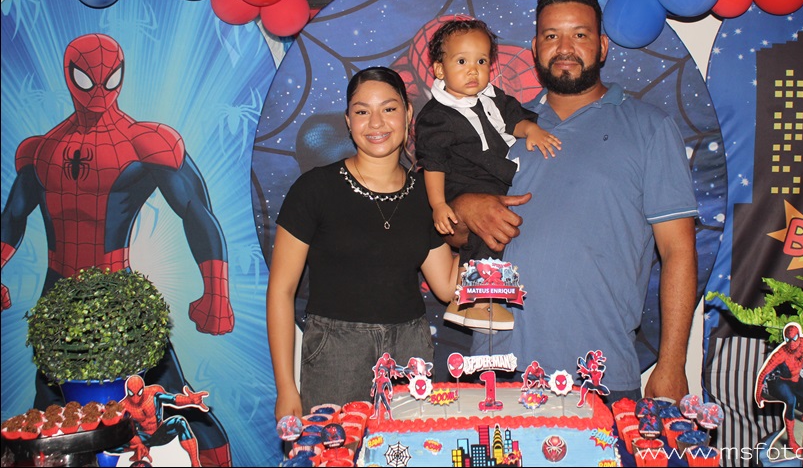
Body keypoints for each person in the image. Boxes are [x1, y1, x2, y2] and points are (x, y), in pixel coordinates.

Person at [449, 0, 699, 403]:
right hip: (498, 372)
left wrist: (672, 364)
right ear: (534, 48)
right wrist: (463, 206)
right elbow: (455, 237)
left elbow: (678, 252)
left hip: (599, 374)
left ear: (602, 46)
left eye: (579, 35)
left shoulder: (649, 128)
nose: (564, 48)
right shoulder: (497, 130)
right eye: (551, 36)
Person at [0, 33, 233, 466]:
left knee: (175, 405)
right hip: (59, 300)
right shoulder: (41, 150)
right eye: (86, 80)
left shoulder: (145, 141)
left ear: (121, 75)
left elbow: (195, 210)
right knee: (51, 415)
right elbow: (13, 216)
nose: (98, 91)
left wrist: (216, 292)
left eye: (108, 79)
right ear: (69, 76)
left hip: (119, 300)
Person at [267, 67, 459, 420]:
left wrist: (479, 220)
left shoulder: (426, 197)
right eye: (362, 111)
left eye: (389, 109)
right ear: (348, 120)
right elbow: (281, 290)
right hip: (335, 355)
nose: (376, 123)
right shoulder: (315, 189)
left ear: (408, 114)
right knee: (338, 449)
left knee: (411, 450)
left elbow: (447, 286)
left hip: (410, 353)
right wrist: (286, 387)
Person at [415, 18, 560, 331]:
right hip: (460, 185)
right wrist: (439, 204)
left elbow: (514, 120)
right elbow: (433, 163)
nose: (473, 70)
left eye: (481, 62)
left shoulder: (494, 98)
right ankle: (477, 304)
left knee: (493, 237)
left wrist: (530, 130)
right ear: (439, 69)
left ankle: (470, 303)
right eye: (462, 61)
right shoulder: (437, 116)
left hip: (494, 182)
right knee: (487, 237)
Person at [755, 323, 803, 452]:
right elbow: (763, 373)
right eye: (788, 340)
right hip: (781, 381)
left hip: (796, 380)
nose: (792, 343)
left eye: (794, 338)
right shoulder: (780, 354)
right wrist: (758, 395)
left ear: (799, 336)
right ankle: (791, 440)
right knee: (791, 401)